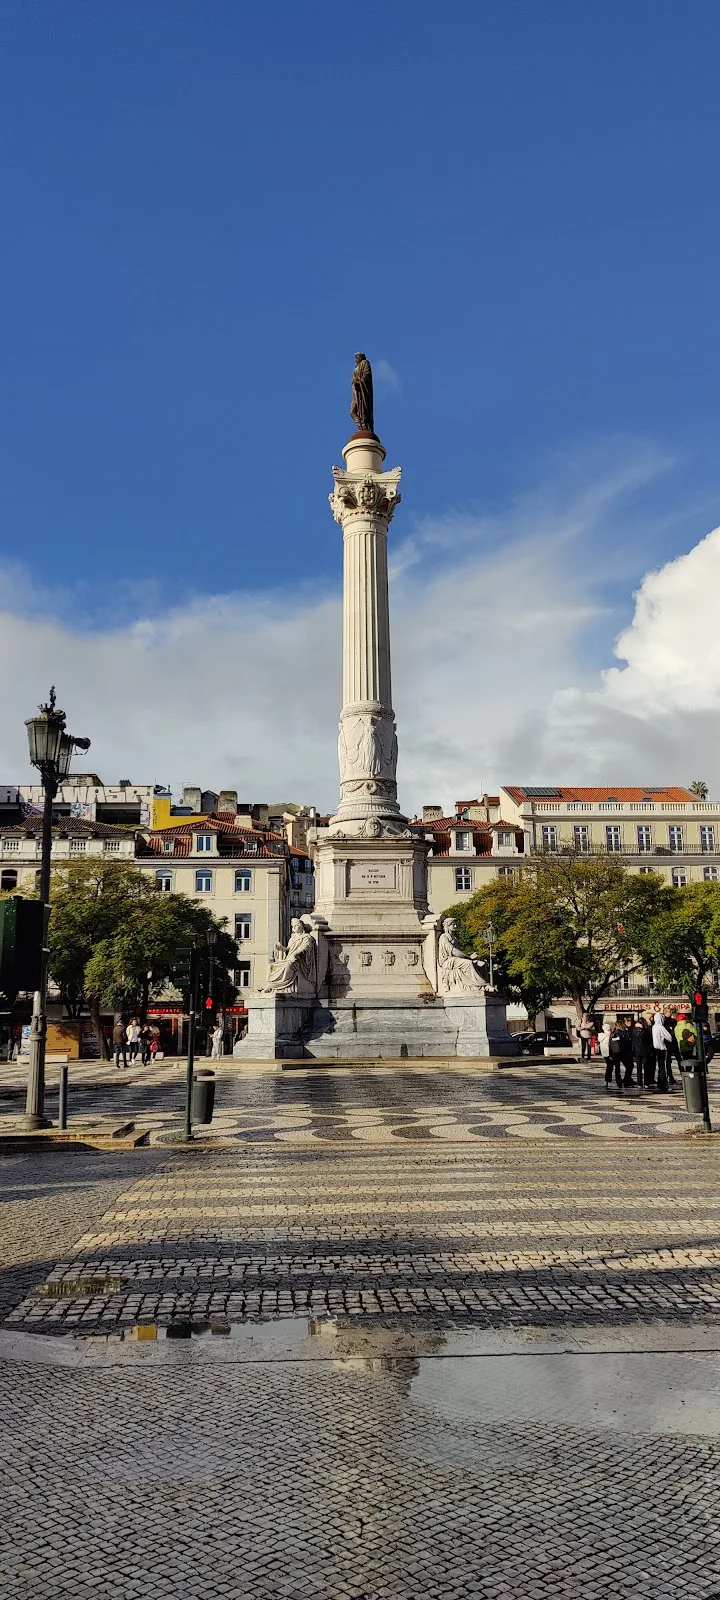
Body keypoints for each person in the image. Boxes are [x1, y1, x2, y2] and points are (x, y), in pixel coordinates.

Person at [652, 1010, 674, 1093]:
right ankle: (664, 1086)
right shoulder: (661, 1027)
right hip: (662, 1048)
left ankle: (659, 1084)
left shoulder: (654, 1027)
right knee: (663, 1068)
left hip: (656, 1049)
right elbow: (669, 1038)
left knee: (660, 1068)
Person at [632, 1016, 654, 1088]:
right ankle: (645, 1083)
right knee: (645, 1067)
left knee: (640, 1068)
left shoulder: (634, 1031)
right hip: (644, 1051)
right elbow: (649, 1041)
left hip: (638, 1051)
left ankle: (640, 1083)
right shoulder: (645, 1031)